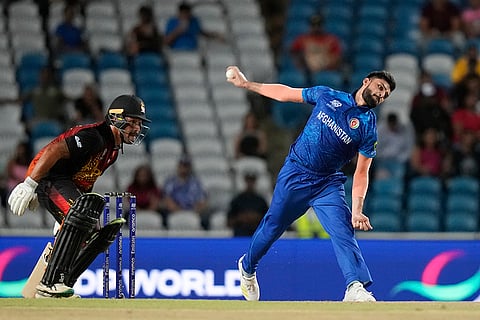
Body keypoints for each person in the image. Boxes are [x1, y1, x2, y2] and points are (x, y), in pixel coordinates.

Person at [225, 65, 396, 302]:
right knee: (273, 227)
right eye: (380, 87)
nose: (381, 94)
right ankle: (248, 267)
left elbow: (361, 173)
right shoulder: (328, 95)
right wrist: (247, 85)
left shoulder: (368, 128)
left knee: (342, 230)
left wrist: (357, 210)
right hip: (296, 172)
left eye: (386, 94)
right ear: (366, 82)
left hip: (327, 183)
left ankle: (355, 286)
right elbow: (286, 93)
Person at [7, 94, 151, 298]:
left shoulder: (112, 150)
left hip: (66, 185)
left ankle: (60, 282)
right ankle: (50, 283)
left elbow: (86, 180)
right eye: (133, 122)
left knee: (93, 232)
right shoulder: (94, 136)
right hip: (50, 179)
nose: (137, 128)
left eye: (139, 123)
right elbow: (53, 150)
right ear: (117, 118)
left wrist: (69, 215)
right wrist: (30, 183)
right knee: (83, 217)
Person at [289, 14, 342, 82]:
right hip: (308, 73)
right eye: (314, 25)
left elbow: (337, 57)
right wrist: (302, 66)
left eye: (319, 25)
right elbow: (293, 53)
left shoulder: (331, 40)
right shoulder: (303, 39)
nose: (316, 28)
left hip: (326, 72)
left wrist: (326, 64)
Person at [163, 154, 209, 229]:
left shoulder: (196, 182)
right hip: (174, 211)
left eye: (186, 166)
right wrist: (178, 211)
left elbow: (202, 200)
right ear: (178, 166)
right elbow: (167, 199)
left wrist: (194, 211)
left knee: (206, 217)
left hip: (194, 212)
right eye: (182, 165)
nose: (184, 169)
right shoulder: (170, 181)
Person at [227, 171, 269, 237]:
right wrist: (241, 218)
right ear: (245, 181)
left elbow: (268, 220)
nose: (250, 183)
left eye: (252, 181)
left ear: (255, 182)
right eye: (248, 180)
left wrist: (256, 217)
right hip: (241, 232)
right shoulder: (238, 200)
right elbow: (229, 221)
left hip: (257, 232)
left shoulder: (261, 200)